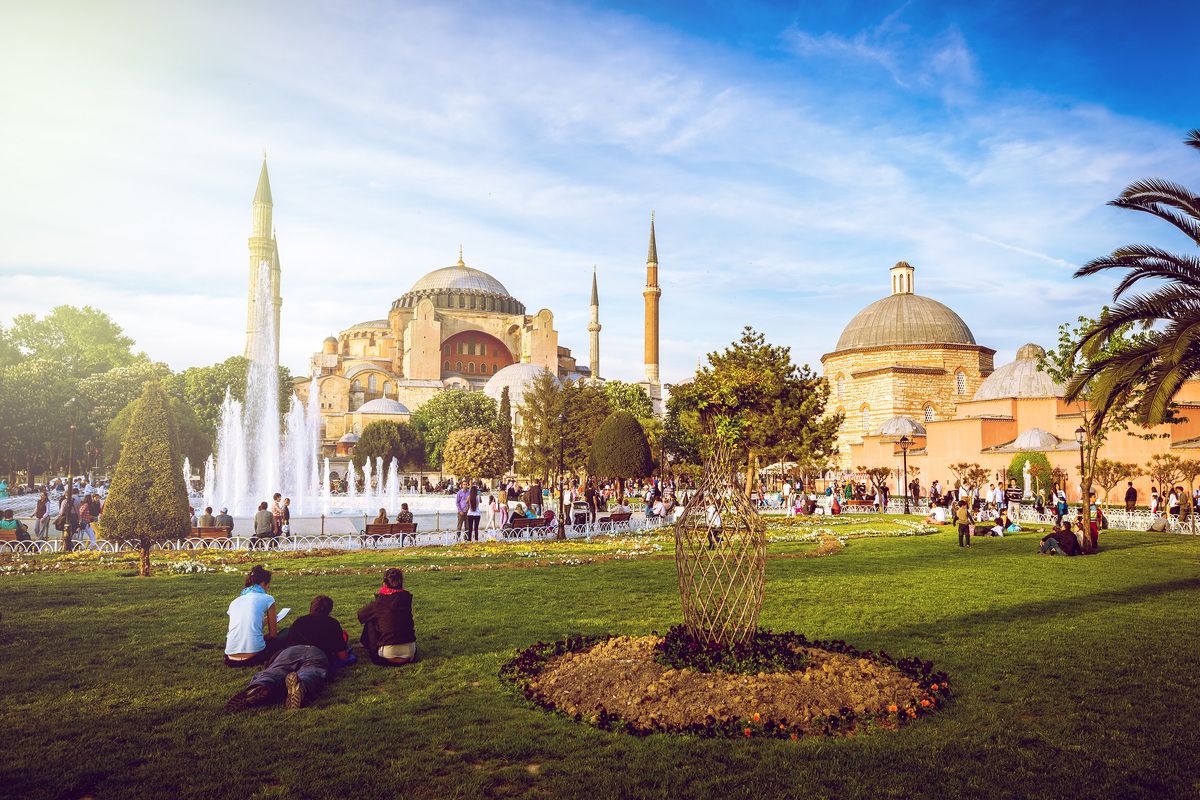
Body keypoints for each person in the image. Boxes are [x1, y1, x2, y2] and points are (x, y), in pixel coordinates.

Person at [225, 595, 356, 710]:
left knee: (277, 669)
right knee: (312, 671)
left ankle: (261, 685)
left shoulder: (299, 621)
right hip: (317, 653)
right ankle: (301, 684)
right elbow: (343, 656)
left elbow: (287, 641)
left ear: (311, 607)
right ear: (329, 610)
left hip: (291, 651)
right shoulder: (332, 623)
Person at [224, 565, 284, 667]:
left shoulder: (235, 602)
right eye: (268, 586)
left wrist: (263, 622)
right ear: (264, 584)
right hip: (255, 657)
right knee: (284, 634)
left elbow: (243, 624)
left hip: (230, 658)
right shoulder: (268, 598)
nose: (267, 590)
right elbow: (273, 635)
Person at [358, 568, 417, 666]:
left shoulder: (380, 602)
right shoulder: (407, 598)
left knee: (370, 620)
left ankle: (367, 646)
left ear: (385, 583)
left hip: (386, 657)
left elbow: (361, 615)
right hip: (410, 654)